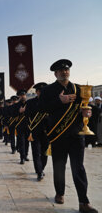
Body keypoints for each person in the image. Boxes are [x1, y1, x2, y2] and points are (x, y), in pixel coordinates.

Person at [39, 59, 98, 213]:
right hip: (58, 135)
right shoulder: (48, 90)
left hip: (77, 134)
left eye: (66, 70)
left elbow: (85, 106)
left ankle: (83, 202)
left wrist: (88, 112)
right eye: (61, 70)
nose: (64, 72)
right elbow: (43, 109)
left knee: (78, 167)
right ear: (55, 73)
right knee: (59, 166)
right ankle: (60, 192)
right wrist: (60, 100)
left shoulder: (78, 89)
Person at [25, 82, 49, 181]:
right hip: (34, 131)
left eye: (44, 91)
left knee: (45, 152)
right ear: (36, 92)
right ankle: (39, 172)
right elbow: (27, 116)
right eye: (40, 91)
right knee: (36, 152)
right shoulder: (30, 102)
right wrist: (31, 128)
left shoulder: (50, 102)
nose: (42, 93)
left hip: (47, 132)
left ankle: (42, 168)